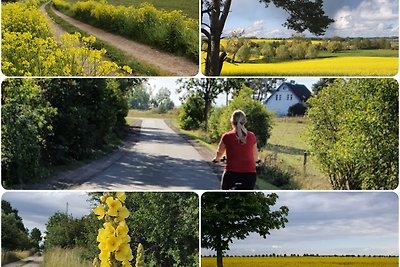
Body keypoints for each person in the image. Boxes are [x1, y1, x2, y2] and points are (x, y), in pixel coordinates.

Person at [212, 109, 258, 189]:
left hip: (231, 173)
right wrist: (256, 160)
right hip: (249, 174)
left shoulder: (227, 136)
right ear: (244, 122)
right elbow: (255, 156)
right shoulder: (252, 136)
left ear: (232, 122)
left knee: (224, 194)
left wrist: (217, 159)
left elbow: (219, 152)